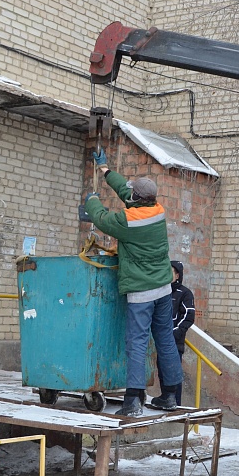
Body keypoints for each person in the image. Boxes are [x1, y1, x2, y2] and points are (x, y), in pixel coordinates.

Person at [84, 147, 183, 416]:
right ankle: (170, 396)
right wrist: (105, 170)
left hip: (141, 292)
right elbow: (126, 191)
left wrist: (92, 201)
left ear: (137, 199)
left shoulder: (127, 222)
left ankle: (132, 401)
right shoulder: (157, 210)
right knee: (164, 339)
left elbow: (102, 219)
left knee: (137, 343)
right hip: (163, 288)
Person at [168, 260, 196, 406]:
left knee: (174, 374)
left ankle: (175, 403)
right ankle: (165, 399)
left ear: (177, 275)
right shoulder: (161, 291)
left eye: (170, 272)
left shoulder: (185, 293)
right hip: (160, 341)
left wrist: (175, 333)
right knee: (163, 373)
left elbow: (188, 317)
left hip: (174, 343)